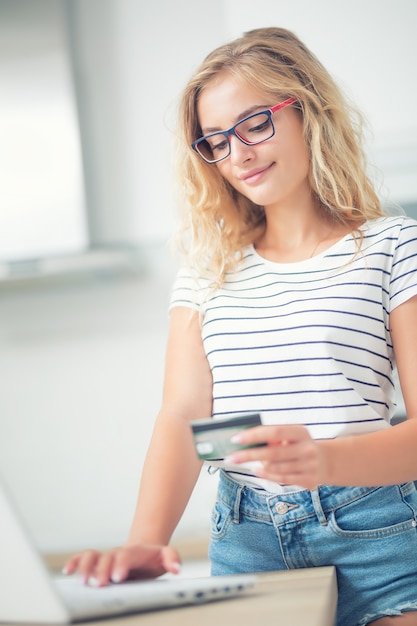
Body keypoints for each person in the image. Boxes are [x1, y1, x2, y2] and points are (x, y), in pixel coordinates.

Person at [64, 27, 417, 626]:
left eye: (256, 124)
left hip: (373, 533)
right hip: (246, 537)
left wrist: (327, 463)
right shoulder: (207, 271)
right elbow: (183, 417)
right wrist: (147, 539)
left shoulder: (392, 247)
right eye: (216, 142)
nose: (240, 154)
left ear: (309, 110)